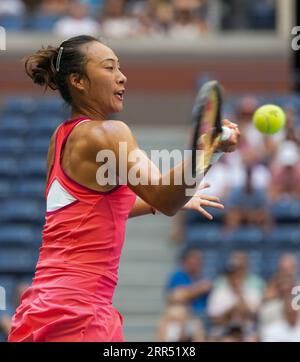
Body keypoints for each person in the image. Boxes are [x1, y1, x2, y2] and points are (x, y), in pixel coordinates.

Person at [8, 35, 239, 342]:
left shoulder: (61, 138)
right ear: (78, 81)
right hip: (79, 314)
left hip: (41, 308)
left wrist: (169, 197)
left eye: (120, 67)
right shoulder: (109, 133)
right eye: (109, 67)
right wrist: (208, 151)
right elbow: (164, 196)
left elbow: (93, 208)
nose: (122, 76)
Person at [165, 248, 212, 318]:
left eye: (198, 260)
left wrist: (189, 291)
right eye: (192, 259)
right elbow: (176, 296)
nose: (195, 262)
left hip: (205, 315)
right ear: (185, 261)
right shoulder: (177, 276)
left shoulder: (205, 277)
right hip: (184, 316)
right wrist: (200, 289)